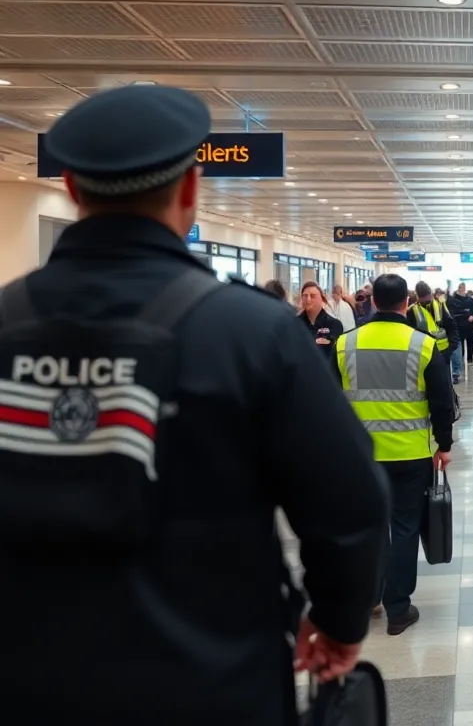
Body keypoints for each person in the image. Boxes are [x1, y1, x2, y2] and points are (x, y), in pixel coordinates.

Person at [0, 84, 389, 725]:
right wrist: (337, 619)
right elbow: (350, 499)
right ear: (190, 188)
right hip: (211, 678)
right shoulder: (252, 333)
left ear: (70, 185)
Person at [333, 274, 455, 636]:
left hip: (361, 458)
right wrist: (444, 446)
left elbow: (327, 399)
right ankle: (398, 609)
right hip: (410, 454)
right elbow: (442, 401)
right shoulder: (423, 344)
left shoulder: (344, 344)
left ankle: (370, 597)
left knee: (371, 528)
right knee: (404, 529)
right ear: (406, 303)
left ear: (372, 302)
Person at [406, 281, 459, 381]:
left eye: (428, 299)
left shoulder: (440, 305)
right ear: (418, 297)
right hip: (423, 356)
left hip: (443, 354)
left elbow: (452, 327)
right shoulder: (412, 311)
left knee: (444, 385)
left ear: (431, 294)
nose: (427, 302)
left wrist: (450, 349)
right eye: (424, 300)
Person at [299, 280, 343, 364]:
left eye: (312, 296)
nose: (308, 299)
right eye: (305, 296)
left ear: (322, 298)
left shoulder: (334, 325)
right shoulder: (295, 324)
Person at [448, 282, 473, 368]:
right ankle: (461, 360)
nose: (462, 290)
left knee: (470, 344)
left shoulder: (471, 301)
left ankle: (470, 359)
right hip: (458, 327)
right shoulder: (453, 301)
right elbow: (451, 314)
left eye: (463, 288)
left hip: (469, 327)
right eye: (460, 288)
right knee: (459, 345)